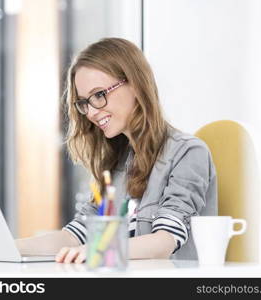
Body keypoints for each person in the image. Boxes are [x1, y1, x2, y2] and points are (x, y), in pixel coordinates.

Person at [16, 37, 217, 263]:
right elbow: (75, 235)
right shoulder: (117, 162)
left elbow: (165, 241)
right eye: (84, 102)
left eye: (99, 95)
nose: (91, 112)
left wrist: (99, 250)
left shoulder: (188, 153)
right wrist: (12, 247)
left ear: (135, 84)